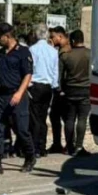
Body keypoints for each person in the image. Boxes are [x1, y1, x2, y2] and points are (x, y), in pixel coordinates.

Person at [0, 22, 36, 176]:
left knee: (21, 129)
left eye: (0, 37)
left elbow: (28, 74)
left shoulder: (23, 52)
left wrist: (19, 93)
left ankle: (30, 156)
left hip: (16, 95)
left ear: (7, 36)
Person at [28, 25, 60, 158]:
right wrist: (54, 85)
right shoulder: (53, 51)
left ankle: (35, 147)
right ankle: (42, 146)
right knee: (43, 117)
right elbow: (55, 71)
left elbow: (30, 69)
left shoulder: (32, 50)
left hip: (35, 85)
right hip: (48, 87)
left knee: (34, 118)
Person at [61, 29, 93, 157]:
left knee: (69, 119)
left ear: (73, 41)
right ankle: (79, 146)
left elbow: (61, 76)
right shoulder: (90, 54)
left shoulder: (65, 55)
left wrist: (61, 89)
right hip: (85, 90)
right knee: (82, 119)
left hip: (70, 90)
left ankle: (69, 146)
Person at [48, 26, 71, 155]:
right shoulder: (65, 49)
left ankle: (62, 144)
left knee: (60, 116)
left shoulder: (64, 52)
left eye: (53, 37)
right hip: (63, 89)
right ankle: (62, 144)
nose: (51, 39)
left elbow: (60, 73)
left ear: (60, 36)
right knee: (60, 116)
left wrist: (60, 89)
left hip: (61, 89)